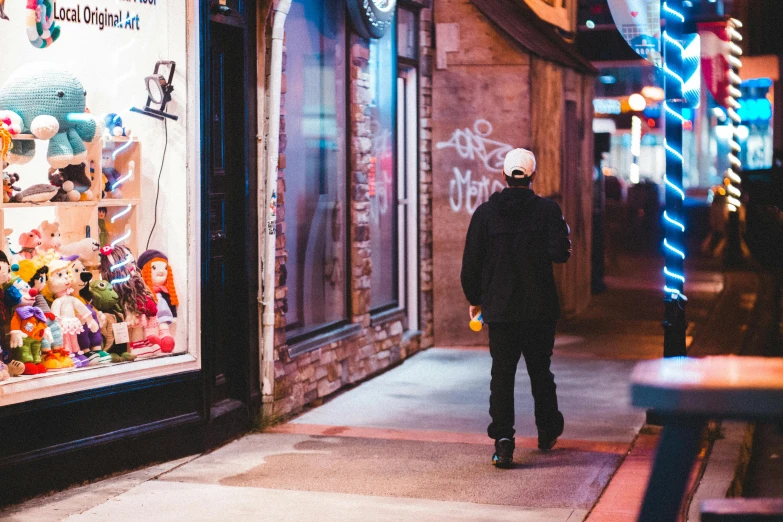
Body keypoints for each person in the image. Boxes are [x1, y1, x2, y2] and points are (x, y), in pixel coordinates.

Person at [461, 147, 572, 469]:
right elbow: (560, 254)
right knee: (541, 371)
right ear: (533, 176)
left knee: (502, 374)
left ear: (504, 176)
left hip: (501, 309)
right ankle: (547, 430)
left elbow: (471, 264)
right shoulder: (548, 211)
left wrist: (475, 299)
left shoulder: (485, 214)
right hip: (539, 308)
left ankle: (504, 441)